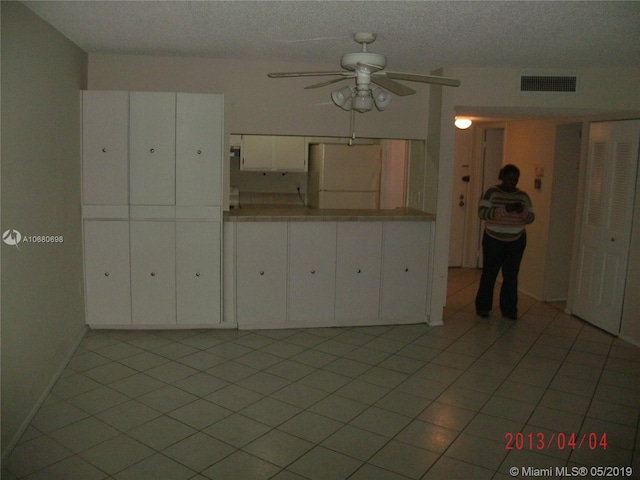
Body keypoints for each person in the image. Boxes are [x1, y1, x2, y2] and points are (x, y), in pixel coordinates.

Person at [475, 164, 534, 320]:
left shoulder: (523, 196)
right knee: (489, 274)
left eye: (515, 179)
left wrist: (522, 211)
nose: (512, 182)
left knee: (511, 276)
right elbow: (482, 214)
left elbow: (531, 218)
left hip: (516, 240)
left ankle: (509, 310)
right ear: (502, 177)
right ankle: (483, 307)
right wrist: (505, 209)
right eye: (509, 178)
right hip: (493, 239)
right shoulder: (492, 193)